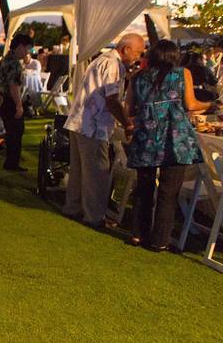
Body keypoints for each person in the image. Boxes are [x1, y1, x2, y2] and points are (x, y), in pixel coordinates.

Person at [125, 40, 209, 250]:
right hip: (174, 138)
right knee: (168, 192)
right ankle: (160, 240)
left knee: (144, 188)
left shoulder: (138, 78)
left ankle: (138, 234)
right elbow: (191, 104)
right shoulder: (182, 74)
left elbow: (129, 109)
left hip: (146, 136)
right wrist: (211, 104)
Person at [63, 33, 146, 228]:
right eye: (137, 52)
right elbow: (112, 100)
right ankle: (94, 216)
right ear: (126, 49)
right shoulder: (113, 65)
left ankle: (73, 207)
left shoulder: (101, 59)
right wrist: (127, 123)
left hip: (79, 121)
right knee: (96, 172)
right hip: (93, 124)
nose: (138, 57)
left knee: (78, 170)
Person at [0, 33, 32, 171]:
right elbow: (13, 86)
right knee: (16, 131)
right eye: (27, 48)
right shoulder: (14, 63)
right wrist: (19, 105)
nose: (28, 52)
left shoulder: (6, 59)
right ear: (20, 47)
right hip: (8, 101)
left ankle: (11, 161)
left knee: (12, 131)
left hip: (0, 99)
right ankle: (12, 162)